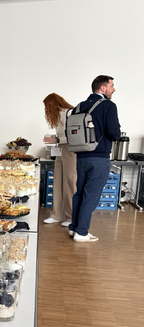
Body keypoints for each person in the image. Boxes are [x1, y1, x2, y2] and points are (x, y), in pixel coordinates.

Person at [69, 75, 121, 242]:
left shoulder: (78, 107)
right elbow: (114, 132)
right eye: (111, 86)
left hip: (81, 157)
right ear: (103, 88)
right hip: (99, 158)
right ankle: (82, 232)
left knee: (79, 193)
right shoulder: (108, 105)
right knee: (91, 195)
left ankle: (74, 227)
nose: (114, 89)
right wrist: (117, 133)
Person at [43, 93, 77, 227]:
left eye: (47, 107)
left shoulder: (70, 114)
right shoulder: (59, 117)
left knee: (69, 183)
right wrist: (55, 138)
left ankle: (71, 217)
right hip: (60, 150)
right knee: (57, 182)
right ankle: (56, 215)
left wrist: (57, 140)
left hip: (70, 151)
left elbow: (75, 136)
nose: (46, 110)